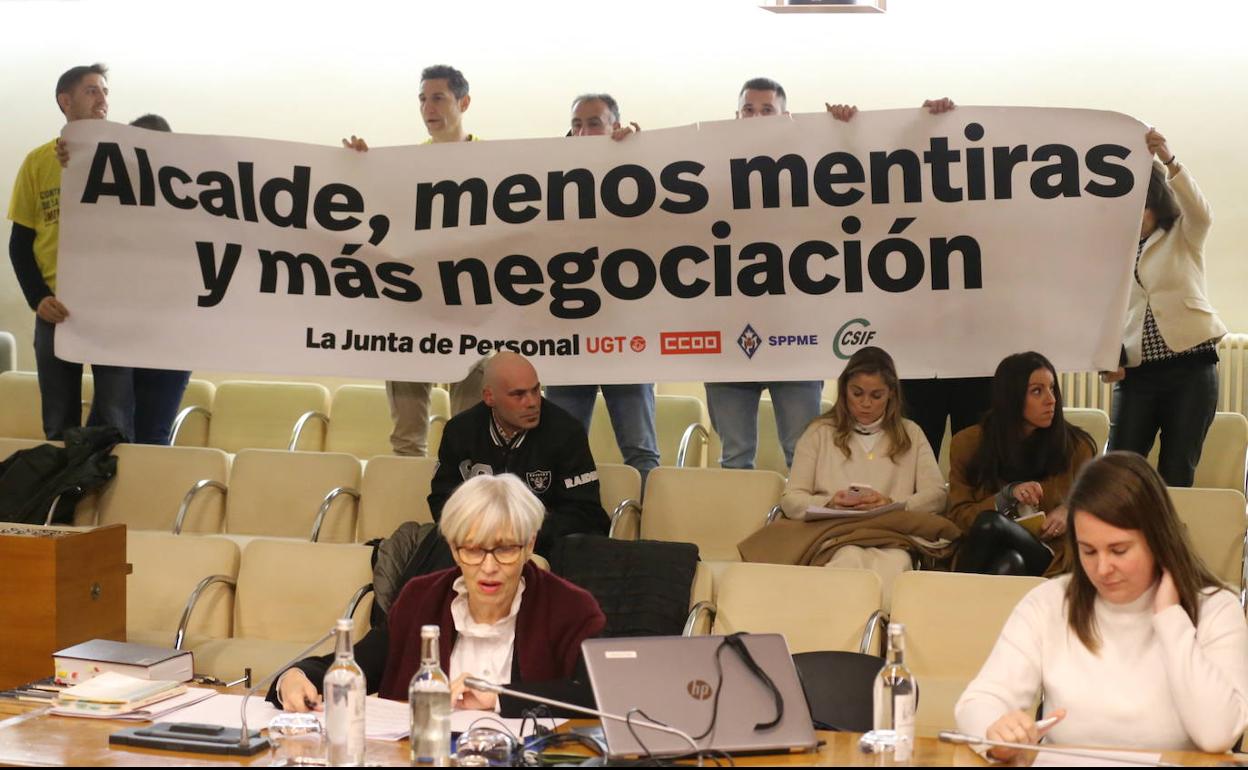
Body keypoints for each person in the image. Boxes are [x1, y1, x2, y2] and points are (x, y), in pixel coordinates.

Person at [955, 451, 1248, 757]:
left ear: (1159, 540)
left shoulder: (1216, 608)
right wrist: (995, 733)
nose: (1103, 568)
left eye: (1119, 550)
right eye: (1089, 551)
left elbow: (1218, 734)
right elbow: (978, 702)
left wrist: (1170, 617)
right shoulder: (1051, 602)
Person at [271, 473, 605, 712]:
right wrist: (297, 675)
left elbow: (598, 696)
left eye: (505, 550)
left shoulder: (570, 608)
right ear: (454, 549)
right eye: (473, 550)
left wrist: (500, 697)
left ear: (530, 544)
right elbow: (359, 664)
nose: (489, 567)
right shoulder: (422, 599)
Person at [342, 64, 485, 457]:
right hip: (410, 309)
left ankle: (461, 517)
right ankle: (408, 516)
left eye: (437, 97)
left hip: (470, 308)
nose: (427, 108)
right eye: (422, 99)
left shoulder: (495, 160)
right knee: (406, 437)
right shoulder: (405, 165)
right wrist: (355, 168)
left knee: (471, 433)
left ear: (464, 102)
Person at [738, 347, 954, 604]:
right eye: (857, 393)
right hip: (834, 534)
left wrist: (893, 504)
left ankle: (875, 637)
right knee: (848, 557)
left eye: (876, 395)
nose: (865, 403)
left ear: (891, 395)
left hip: (892, 535)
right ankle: (841, 633)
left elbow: (938, 495)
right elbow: (791, 498)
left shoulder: (911, 433)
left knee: (897, 563)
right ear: (844, 391)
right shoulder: (819, 432)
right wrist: (829, 503)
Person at [703, 77, 824, 470]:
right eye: (748, 110)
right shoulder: (706, 164)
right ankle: (739, 531)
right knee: (734, 457)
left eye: (766, 110)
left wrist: (846, 127)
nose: (756, 118)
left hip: (797, 335)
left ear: (785, 116)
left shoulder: (812, 164)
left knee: (802, 455)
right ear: (736, 116)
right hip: (726, 336)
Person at [8, 63, 133, 441]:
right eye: (92, 90)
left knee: (115, 419)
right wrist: (37, 298)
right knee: (59, 419)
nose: (102, 99)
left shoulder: (126, 156)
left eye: (105, 91)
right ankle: (62, 498)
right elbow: (19, 244)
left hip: (111, 307)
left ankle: (113, 496)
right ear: (65, 101)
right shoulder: (38, 162)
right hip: (56, 310)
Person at [544, 93, 660, 484]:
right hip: (568, 335)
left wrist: (639, 154)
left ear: (616, 125)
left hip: (625, 335)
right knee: (559, 449)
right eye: (576, 124)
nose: (583, 131)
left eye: (594, 122)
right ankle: (562, 535)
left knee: (639, 449)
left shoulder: (638, 168)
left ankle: (648, 534)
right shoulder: (547, 176)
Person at [1103, 129, 1225, 487]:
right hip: (1137, 374)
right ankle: (1121, 541)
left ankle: (1166, 542)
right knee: (1120, 471)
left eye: (1142, 204)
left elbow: (1202, 213)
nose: (1136, 214)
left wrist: (1170, 162)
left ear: (1156, 200)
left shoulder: (1184, 233)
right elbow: (1105, 311)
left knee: (1176, 469)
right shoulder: (1112, 249)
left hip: (1190, 367)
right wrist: (1106, 357)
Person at [428, 352, 610, 557]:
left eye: (535, 390)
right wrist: (481, 534)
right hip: (473, 546)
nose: (532, 402)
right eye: (518, 394)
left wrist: (516, 535)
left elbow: (585, 513)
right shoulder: (460, 431)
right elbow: (443, 499)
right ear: (489, 397)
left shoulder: (566, 432)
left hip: (544, 551)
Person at [947, 352, 1097, 577]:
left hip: (1048, 551)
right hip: (986, 551)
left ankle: (952, 599)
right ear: (1011, 397)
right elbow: (958, 517)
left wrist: (1070, 510)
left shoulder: (1077, 447)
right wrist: (1005, 498)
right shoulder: (968, 444)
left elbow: (1100, 504)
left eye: (1052, 388)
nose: (1051, 399)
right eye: (1037, 391)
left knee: (991, 524)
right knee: (1009, 562)